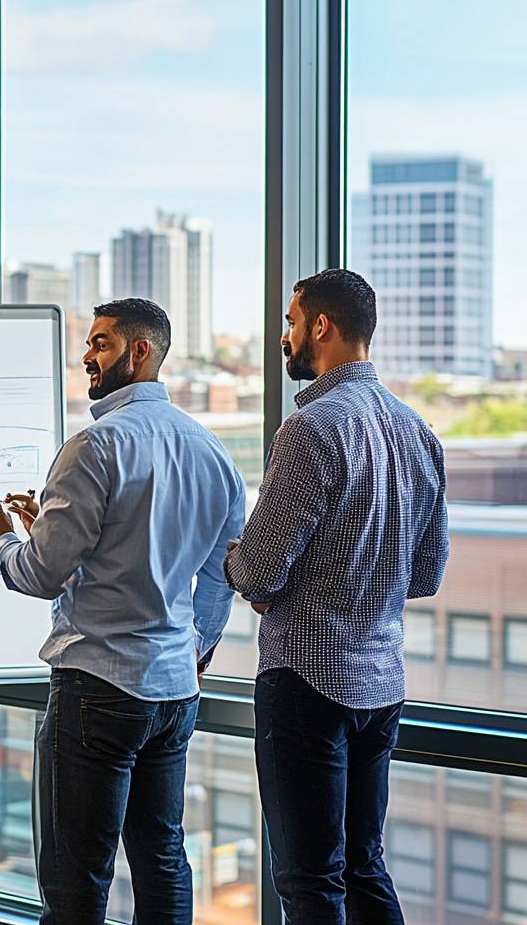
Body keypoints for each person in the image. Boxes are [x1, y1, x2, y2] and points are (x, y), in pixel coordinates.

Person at [0, 298, 246, 925]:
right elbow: (218, 578)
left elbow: (40, 575)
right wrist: (195, 653)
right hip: (173, 690)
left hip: (98, 687)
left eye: (100, 343)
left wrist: (0, 536)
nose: (87, 356)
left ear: (139, 352)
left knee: (73, 877)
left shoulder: (95, 445)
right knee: (163, 859)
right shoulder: (212, 453)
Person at [225, 269, 449, 925]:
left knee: (310, 881)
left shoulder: (312, 430)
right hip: (381, 687)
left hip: (308, 683)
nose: (284, 336)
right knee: (363, 867)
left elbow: (259, 572)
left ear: (321, 326)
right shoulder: (418, 432)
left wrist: (243, 567)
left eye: (291, 322)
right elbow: (426, 576)